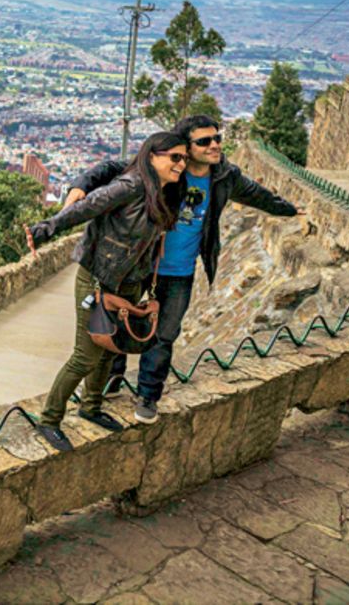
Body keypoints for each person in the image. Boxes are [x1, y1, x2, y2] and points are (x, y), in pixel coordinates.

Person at [63, 115, 301, 425]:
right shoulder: (165, 167)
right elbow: (110, 169)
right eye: (204, 141)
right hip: (141, 264)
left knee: (164, 334)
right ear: (186, 148)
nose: (214, 145)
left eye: (217, 138)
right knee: (117, 322)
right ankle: (111, 380)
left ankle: (148, 394)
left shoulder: (224, 176)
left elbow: (257, 195)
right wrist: (79, 187)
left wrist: (290, 209)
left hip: (180, 272)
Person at [26, 131, 188, 451]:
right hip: (98, 278)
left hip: (128, 281)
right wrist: (47, 227)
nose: (181, 164)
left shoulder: (165, 190)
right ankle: (49, 418)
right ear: (153, 156)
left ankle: (91, 406)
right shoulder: (132, 185)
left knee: (111, 348)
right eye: (175, 157)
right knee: (85, 355)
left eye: (184, 158)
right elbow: (89, 206)